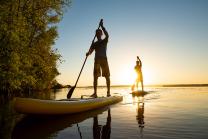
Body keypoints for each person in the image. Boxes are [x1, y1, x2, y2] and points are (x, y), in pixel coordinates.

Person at [86, 20, 110, 98]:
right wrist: (88, 53)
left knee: (107, 76)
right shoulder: (94, 43)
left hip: (104, 59)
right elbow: (91, 52)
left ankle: (108, 92)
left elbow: (107, 35)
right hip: (97, 60)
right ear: (96, 35)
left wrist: (102, 27)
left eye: (99, 33)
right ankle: (95, 93)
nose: (97, 34)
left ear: (101, 34)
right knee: (95, 77)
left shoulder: (104, 41)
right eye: (96, 33)